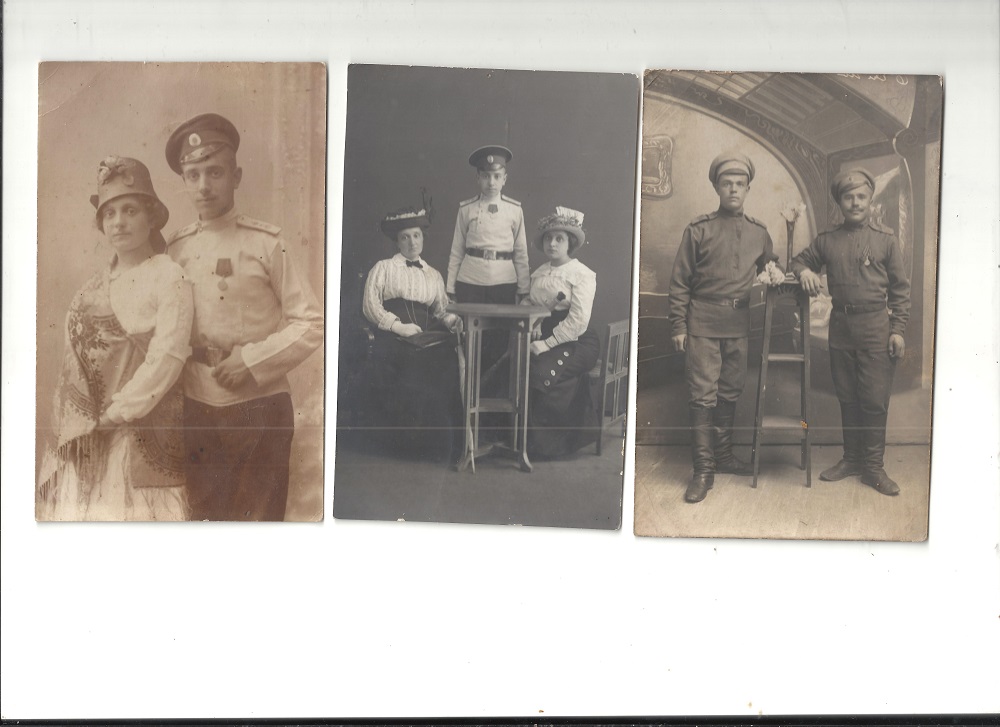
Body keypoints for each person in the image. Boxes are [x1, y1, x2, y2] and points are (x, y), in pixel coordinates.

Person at [165, 113, 324, 521]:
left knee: (257, 528)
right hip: (196, 405)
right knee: (205, 522)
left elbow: (311, 323)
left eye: (215, 172)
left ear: (235, 177)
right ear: (184, 181)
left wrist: (252, 361)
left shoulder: (267, 243)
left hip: (259, 406)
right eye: (193, 175)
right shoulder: (175, 250)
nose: (204, 185)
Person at [37, 156, 193, 521]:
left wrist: (115, 415)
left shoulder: (168, 276)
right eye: (109, 214)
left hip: (136, 433)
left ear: (151, 218)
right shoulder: (92, 287)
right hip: (88, 437)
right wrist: (81, 426)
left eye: (130, 211)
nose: (118, 222)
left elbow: (167, 358)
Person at [791, 168, 910, 496]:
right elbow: (798, 261)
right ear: (840, 203)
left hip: (875, 328)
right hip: (841, 328)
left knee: (874, 399)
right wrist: (804, 272)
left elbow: (900, 290)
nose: (855, 203)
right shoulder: (827, 240)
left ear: (870, 200)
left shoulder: (886, 240)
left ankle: (874, 467)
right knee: (847, 396)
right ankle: (852, 459)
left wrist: (898, 330)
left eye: (861, 196)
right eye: (848, 197)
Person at [668, 152, 779, 504]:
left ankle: (725, 457)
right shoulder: (698, 229)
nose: (733, 189)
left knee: (731, 390)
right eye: (727, 183)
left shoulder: (759, 232)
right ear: (717, 187)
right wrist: (679, 325)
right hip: (702, 322)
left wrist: (775, 271)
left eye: (740, 184)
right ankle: (703, 470)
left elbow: (770, 265)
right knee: (703, 394)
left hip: (738, 324)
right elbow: (680, 282)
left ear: (747, 189)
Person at [361, 206, 464, 462]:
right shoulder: (383, 268)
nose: (412, 242)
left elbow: (441, 309)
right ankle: (406, 444)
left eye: (416, 236)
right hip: (393, 334)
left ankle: (437, 444)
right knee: (408, 363)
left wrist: (453, 322)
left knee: (446, 360)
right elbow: (370, 305)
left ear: (422, 238)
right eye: (405, 237)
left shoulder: (433, 274)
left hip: (425, 335)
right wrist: (398, 326)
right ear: (397, 241)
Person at [446, 145, 531, 385]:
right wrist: (450, 288)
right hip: (470, 282)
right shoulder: (467, 209)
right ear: (478, 178)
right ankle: (467, 395)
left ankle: (489, 396)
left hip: (503, 283)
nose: (491, 182)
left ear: (505, 179)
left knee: (498, 342)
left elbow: (521, 253)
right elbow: (456, 250)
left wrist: (524, 290)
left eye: (496, 176)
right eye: (485, 176)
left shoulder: (515, 210)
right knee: (469, 340)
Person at [524, 207, 601, 457]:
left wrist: (547, 344)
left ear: (570, 243)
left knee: (541, 372)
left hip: (577, 340)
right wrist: (534, 323)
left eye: (559, 239)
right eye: (548, 238)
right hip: (542, 333)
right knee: (517, 367)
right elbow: (531, 303)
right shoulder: (540, 273)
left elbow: (579, 320)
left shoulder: (582, 274)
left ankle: (549, 446)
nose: (552, 244)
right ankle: (520, 440)